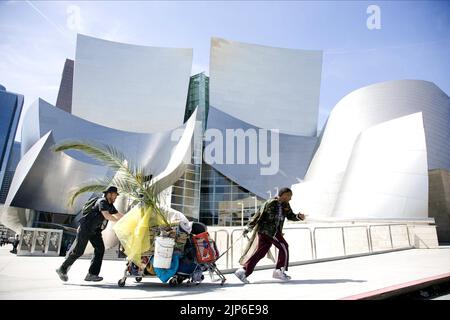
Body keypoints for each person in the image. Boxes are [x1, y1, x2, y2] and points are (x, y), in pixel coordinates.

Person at [235, 187, 305, 284]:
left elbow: (290, 216)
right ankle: (279, 270)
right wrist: (248, 227)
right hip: (269, 231)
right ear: (284, 194)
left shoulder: (285, 205)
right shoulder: (271, 203)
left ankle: (243, 271)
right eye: (289, 196)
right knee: (284, 246)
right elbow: (258, 214)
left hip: (270, 232)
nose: (290, 198)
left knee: (261, 252)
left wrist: (298, 217)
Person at [56, 186, 124, 282]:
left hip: (95, 231)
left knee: (100, 249)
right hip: (86, 228)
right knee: (78, 251)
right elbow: (106, 215)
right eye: (114, 195)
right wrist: (118, 221)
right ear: (109, 194)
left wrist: (129, 219)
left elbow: (118, 215)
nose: (116, 197)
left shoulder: (110, 205)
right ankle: (62, 269)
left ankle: (92, 274)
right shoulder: (102, 201)